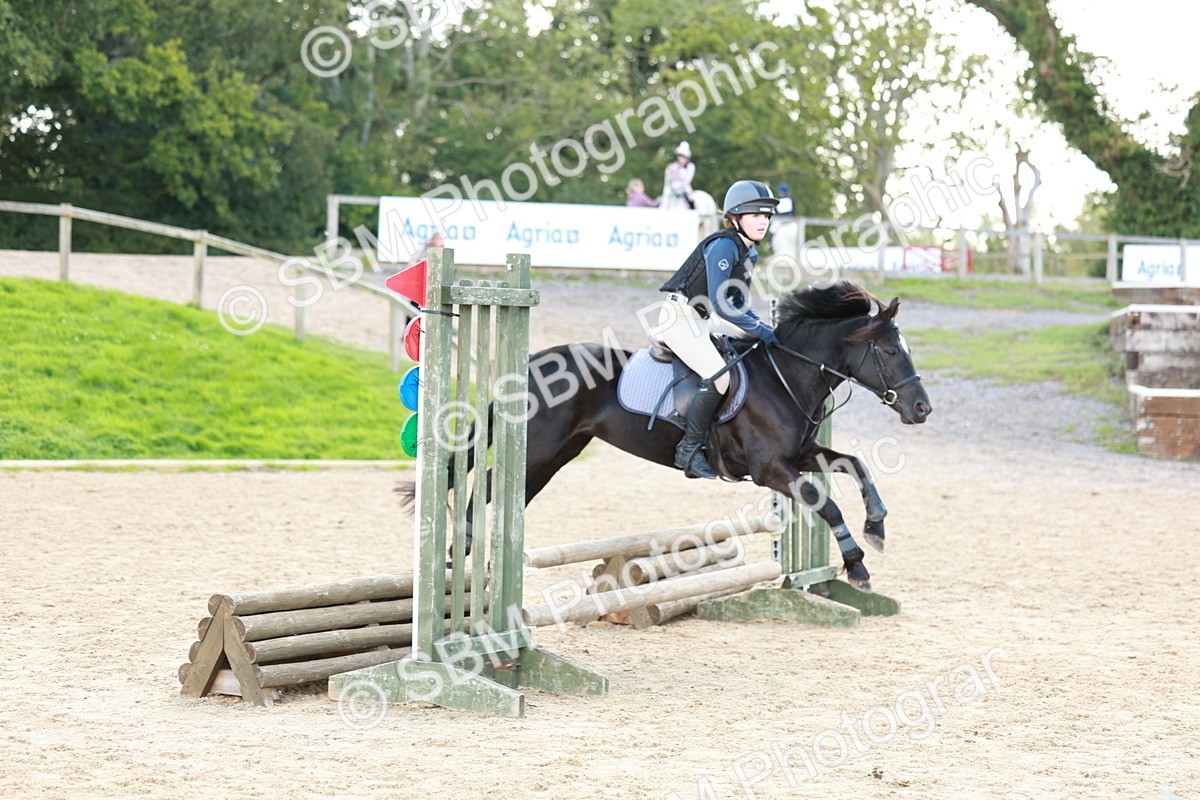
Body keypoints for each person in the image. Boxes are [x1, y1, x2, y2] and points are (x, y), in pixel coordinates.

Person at [654, 179, 779, 479]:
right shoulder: (723, 245)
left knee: (750, 349)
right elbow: (721, 303)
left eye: (766, 215)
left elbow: (739, 303)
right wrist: (762, 331)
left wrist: (762, 329)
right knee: (719, 377)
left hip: (704, 318)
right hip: (679, 317)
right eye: (755, 215)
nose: (763, 221)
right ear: (735, 217)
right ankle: (689, 449)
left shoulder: (749, 253)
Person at [662, 141, 696, 210]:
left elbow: (688, 180)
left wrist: (681, 186)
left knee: (691, 199)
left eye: (683, 156)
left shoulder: (690, 166)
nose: (681, 158)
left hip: (685, 188)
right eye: (680, 156)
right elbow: (670, 179)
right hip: (673, 188)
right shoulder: (673, 166)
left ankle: (693, 212)